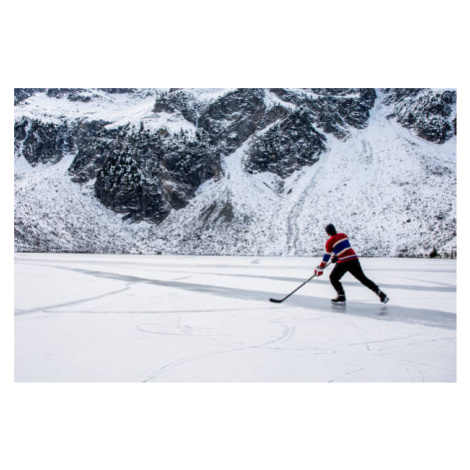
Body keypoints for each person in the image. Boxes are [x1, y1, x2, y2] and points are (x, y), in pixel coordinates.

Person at [314, 224, 389, 305]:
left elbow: (327, 256)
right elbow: (345, 248)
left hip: (344, 262)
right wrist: (336, 256)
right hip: (353, 259)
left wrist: (321, 266)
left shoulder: (329, 242)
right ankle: (380, 293)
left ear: (327, 233)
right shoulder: (343, 235)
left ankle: (341, 295)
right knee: (363, 278)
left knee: (333, 277)